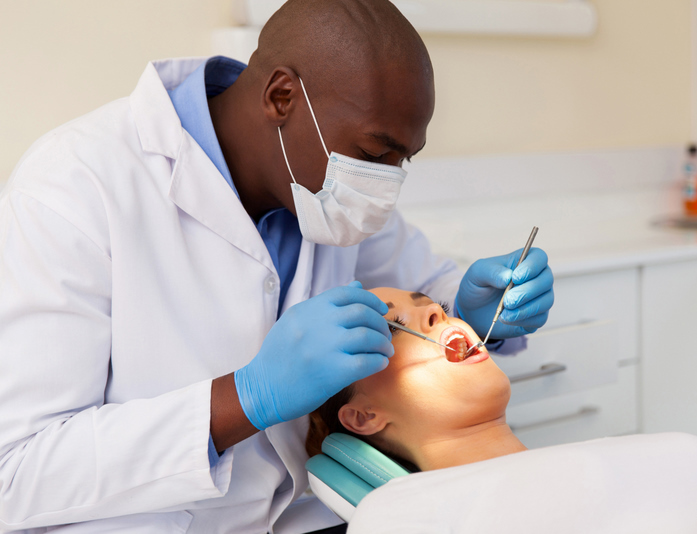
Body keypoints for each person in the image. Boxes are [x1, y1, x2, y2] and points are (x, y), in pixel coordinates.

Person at [0, 1, 555, 533]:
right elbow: (15, 474)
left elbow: (422, 293)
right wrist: (245, 398)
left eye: (402, 160)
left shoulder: (331, 188)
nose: (386, 184)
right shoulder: (74, 187)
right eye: (375, 155)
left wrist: (475, 308)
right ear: (282, 97)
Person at [308, 288, 697, 534]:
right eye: (395, 328)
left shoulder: (581, 469)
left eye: (431, 303)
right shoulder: (402, 516)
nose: (438, 312)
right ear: (363, 416)